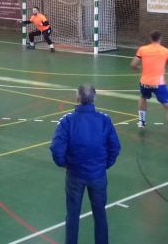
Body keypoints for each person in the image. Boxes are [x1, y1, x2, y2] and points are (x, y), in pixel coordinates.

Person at [50, 85, 121, 244]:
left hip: (75, 176)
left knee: (72, 215)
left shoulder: (67, 121)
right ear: (94, 98)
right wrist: (104, 165)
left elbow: (56, 148)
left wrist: (64, 164)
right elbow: (115, 147)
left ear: (78, 98)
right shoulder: (105, 120)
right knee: (100, 214)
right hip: (98, 176)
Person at [130, 30, 168, 145]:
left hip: (144, 82)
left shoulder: (142, 49)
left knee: (143, 97)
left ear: (151, 39)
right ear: (160, 39)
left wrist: (140, 69)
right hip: (158, 84)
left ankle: (141, 121)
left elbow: (133, 65)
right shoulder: (165, 51)